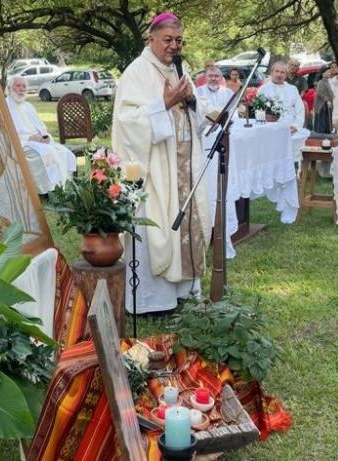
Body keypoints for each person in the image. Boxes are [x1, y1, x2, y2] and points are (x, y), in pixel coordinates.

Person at [111, 11, 210, 314]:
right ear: (150, 38)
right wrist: (163, 104)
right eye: (167, 39)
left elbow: (198, 116)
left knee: (183, 226)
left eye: (178, 40)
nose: (173, 46)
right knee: (158, 228)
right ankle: (152, 301)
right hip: (154, 169)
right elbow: (127, 122)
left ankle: (181, 291)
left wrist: (192, 102)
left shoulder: (179, 71)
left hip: (183, 167)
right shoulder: (137, 72)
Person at [5, 75, 76, 194]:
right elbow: (7, 131)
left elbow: (40, 127)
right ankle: (48, 190)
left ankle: (62, 187)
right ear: (10, 88)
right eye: (18, 86)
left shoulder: (28, 106)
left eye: (24, 86)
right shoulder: (5, 106)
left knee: (62, 151)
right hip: (20, 143)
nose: (22, 89)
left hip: (36, 141)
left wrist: (44, 136)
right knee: (47, 153)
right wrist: (30, 138)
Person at [195, 66, 238, 259]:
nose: (213, 78)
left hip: (224, 138)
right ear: (205, 77)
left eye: (217, 76)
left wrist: (226, 120)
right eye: (210, 75)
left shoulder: (228, 93)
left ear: (221, 78)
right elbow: (196, 116)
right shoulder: (198, 93)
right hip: (205, 139)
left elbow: (234, 114)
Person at [257, 61, 310, 162]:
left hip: (289, 128)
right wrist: (265, 123)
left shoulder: (292, 89)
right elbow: (258, 111)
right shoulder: (263, 89)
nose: (279, 74)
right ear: (271, 73)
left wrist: (296, 126)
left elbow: (300, 109)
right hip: (269, 128)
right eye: (277, 71)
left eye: (282, 72)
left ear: (286, 75)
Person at [313, 63, 336, 133]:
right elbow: (320, 93)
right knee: (322, 118)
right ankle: (321, 131)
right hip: (322, 105)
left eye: (329, 72)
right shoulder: (321, 82)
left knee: (327, 118)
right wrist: (327, 100)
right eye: (327, 72)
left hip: (326, 105)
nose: (329, 73)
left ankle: (327, 130)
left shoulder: (327, 82)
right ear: (323, 74)